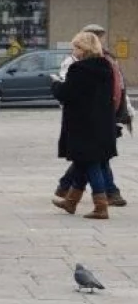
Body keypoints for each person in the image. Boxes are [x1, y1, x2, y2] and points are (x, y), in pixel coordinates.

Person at [55, 24, 129, 207]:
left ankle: (101, 203)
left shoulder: (79, 69)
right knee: (85, 162)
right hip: (102, 122)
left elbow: (67, 94)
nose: (73, 51)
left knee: (92, 163)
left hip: (84, 125)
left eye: (76, 47)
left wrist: (55, 85)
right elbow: (117, 92)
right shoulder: (106, 66)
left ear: (85, 48)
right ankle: (70, 200)